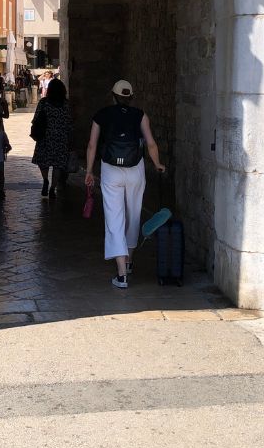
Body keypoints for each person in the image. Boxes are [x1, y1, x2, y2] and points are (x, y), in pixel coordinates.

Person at [85, 79, 165, 289]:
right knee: (133, 214)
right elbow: (151, 143)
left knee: (114, 218)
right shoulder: (140, 115)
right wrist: (157, 164)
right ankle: (129, 262)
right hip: (135, 170)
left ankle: (121, 275)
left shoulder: (101, 115)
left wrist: (90, 170)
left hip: (111, 171)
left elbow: (92, 145)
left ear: (113, 95)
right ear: (131, 98)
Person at [30, 77, 73, 199]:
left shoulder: (44, 103)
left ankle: (45, 180)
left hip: (45, 137)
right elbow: (69, 123)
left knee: (43, 162)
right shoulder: (66, 105)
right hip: (60, 138)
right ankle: (53, 188)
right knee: (57, 165)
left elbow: (36, 119)